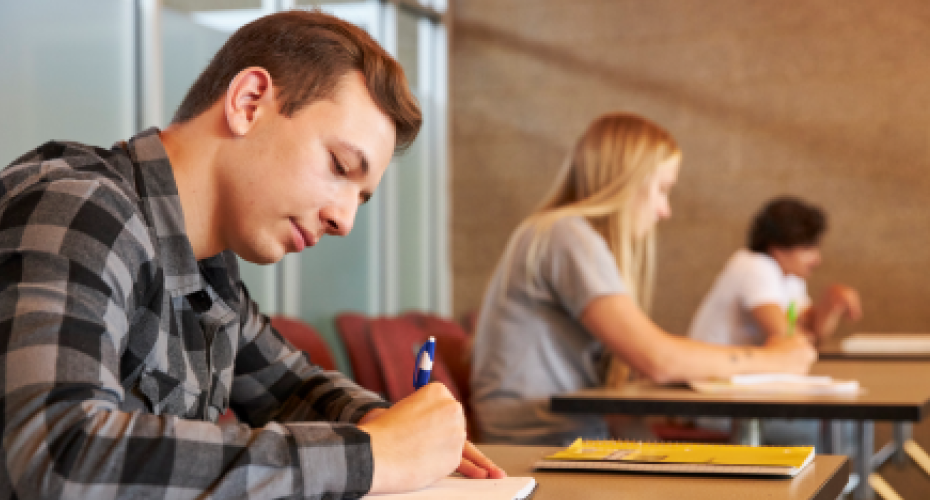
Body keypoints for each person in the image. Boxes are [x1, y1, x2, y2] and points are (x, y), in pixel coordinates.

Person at [0, 10, 502, 499]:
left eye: (361, 198)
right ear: (249, 101)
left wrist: (394, 430)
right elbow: (57, 457)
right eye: (339, 164)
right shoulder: (79, 210)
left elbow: (294, 390)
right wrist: (371, 454)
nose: (345, 221)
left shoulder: (209, 268)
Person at [470, 112, 817, 445]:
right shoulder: (565, 234)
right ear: (626, 184)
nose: (665, 211)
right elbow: (658, 359)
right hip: (541, 444)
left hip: (571, 433)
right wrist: (774, 360)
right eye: (662, 189)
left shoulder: (564, 235)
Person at [687, 196, 862, 446]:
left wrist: (829, 306)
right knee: (830, 430)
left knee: (843, 425)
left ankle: (837, 485)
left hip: (747, 396)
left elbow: (812, 336)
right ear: (778, 248)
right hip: (715, 403)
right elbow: (788, 340)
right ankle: (835, 486)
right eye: (807, 249)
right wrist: (806, 333)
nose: (817, 259)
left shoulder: (789, 276)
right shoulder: (755, 266)